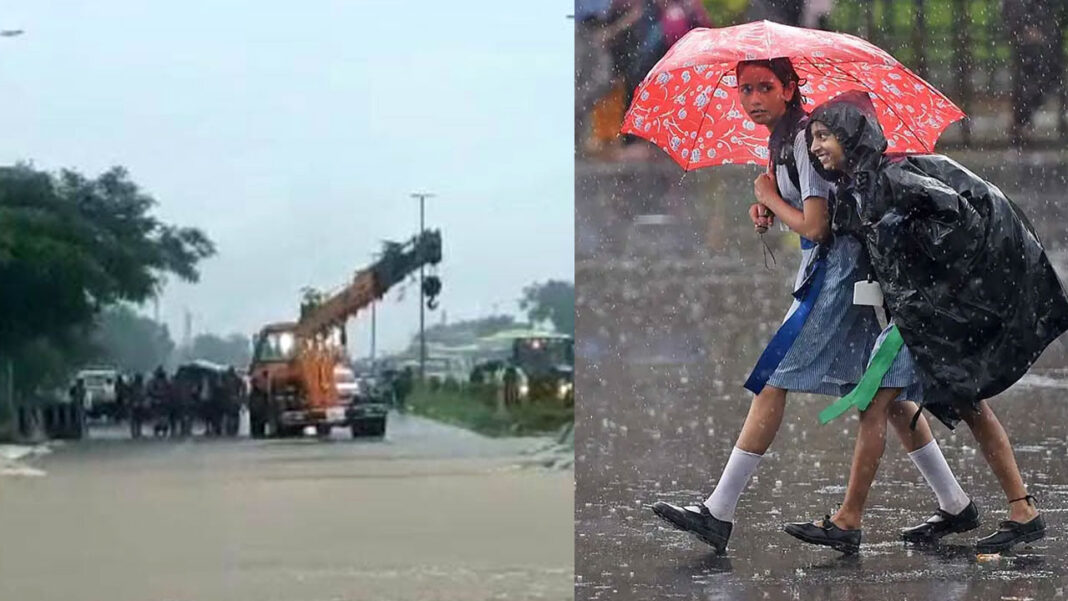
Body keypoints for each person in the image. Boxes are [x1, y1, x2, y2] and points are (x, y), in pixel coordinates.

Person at [650, 59, 974, 555]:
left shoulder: (805, 138)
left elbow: (818, 226)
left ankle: (719, 510)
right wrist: (769, 203)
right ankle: (954, 502)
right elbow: (808, 207)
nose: (753, 99)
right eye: (745, 89)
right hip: (839, 271)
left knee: (773, 378)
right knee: (886, 391)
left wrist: (769, 197)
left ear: (789, 88)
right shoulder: (783, 140)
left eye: (764, 87)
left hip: (836, 274)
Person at [786, 90, 1068, 553]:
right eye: (812, 138)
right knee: (969, 404)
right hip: (918, 317)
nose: (815, 147)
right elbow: (831, 232)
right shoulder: (861, 190)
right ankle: (1021, 510)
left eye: (824, 136)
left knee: (875, 404)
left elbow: (957, 215)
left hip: (923, 317)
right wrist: (770, 202)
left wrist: (923, 264)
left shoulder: (896, 179)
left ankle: (848, 520)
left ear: (851, 137)